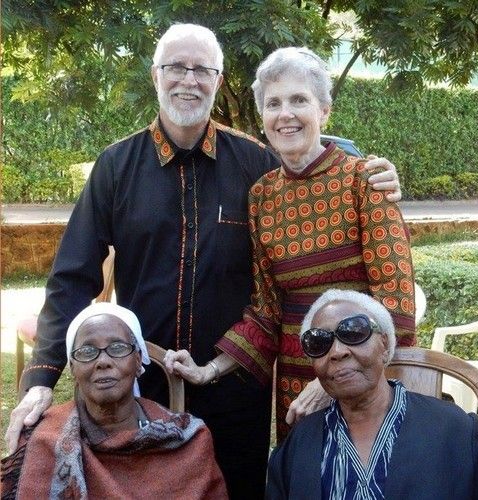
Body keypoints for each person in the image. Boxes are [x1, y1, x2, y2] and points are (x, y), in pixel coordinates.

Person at [6, 24, 401, 499]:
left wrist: (374, 173)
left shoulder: (256, 165)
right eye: (176, 67)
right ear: (156, 76)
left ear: (217, 80)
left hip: (237, 390)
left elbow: (311, 175)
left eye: (202, 70)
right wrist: (42, 377)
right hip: (144, 388)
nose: (188, 79)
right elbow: (72, 276)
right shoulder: (116, 166)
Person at [164, 46, 416, 443]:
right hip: (297, 390)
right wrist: (207, 370)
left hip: (365, 381)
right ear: (263, 117)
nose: (285, 114)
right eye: (273, 103)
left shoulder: (363, 181)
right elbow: (267, 312)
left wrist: (332, 375)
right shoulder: (263, 195)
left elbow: (396, 302)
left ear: (324, 111)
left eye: (299, 100)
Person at [266, 289, 478, 499]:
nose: (337, 351)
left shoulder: (455, 430)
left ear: (385, 345)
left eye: (354, 332)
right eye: (319, 343)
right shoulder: (298, 444)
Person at [1, 303, 227, 499]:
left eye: (117, 348)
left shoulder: (188, 441)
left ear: (137, 361)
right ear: (73, 368)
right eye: (87, 351)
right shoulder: (43, 440)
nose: (103, 361)